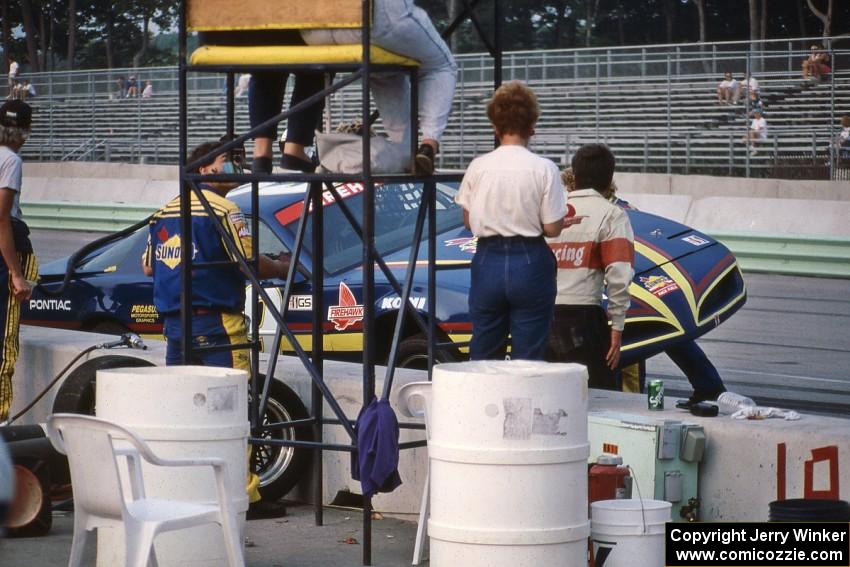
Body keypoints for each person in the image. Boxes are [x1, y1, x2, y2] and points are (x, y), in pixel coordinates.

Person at [142, 141, 290, 371]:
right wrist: (282, 268)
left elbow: (149, 267)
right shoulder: (224, 209)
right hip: (217, 324)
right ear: (203, 169)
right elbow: (249, 265)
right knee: (233, 397)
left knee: (184, 396)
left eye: (238, 162)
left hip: (175, 326)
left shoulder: (164, 212)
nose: (236, 167)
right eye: (227, 162)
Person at [455, 81, 565, 360]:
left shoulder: (478, 167)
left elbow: (468, 220)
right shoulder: (544, 168)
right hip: (530, 261)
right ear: (532, 126)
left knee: (484, 347)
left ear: (495, 126)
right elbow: (553, 228)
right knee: (528, 355)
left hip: (487, 259)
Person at [301, 0, 457, 174]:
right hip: (369, 19)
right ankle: (429, 143)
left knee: (383, 73)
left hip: (313, 31)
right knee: (440, 65)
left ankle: (407, 153)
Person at [545, 144, 634, 390]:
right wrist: (617, 328)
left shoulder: (550, 215)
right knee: (596, 400)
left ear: (575, 174)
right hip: (584, 320)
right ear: (609, 179)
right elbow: (619, 276)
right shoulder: (612, 215)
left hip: (541, 318)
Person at [198, 31, 325, 174]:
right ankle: (295, 147)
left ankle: (261, 153)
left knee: (266, 62)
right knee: (318, 68)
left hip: (219, 37)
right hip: (288, 35)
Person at [0, 100, 38, 422]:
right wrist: (15, 273)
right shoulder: (10, 160)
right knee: (5, 341)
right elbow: (1, 220)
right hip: (5, 254)